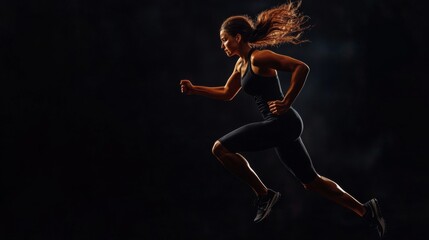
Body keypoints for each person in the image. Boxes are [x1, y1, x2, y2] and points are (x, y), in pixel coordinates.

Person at [179, 1, 385, 238]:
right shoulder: (241, 64)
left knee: (220, 148)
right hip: (280, 127)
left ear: (237, 37)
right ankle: (366, 211)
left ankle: (264, 195)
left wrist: (287, 100)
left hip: (282, 122)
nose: (222, 45)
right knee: (311, 182)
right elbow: (227, 93)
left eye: (225, 39)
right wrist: (195, 89)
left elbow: (301, 68)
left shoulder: (259, 58)